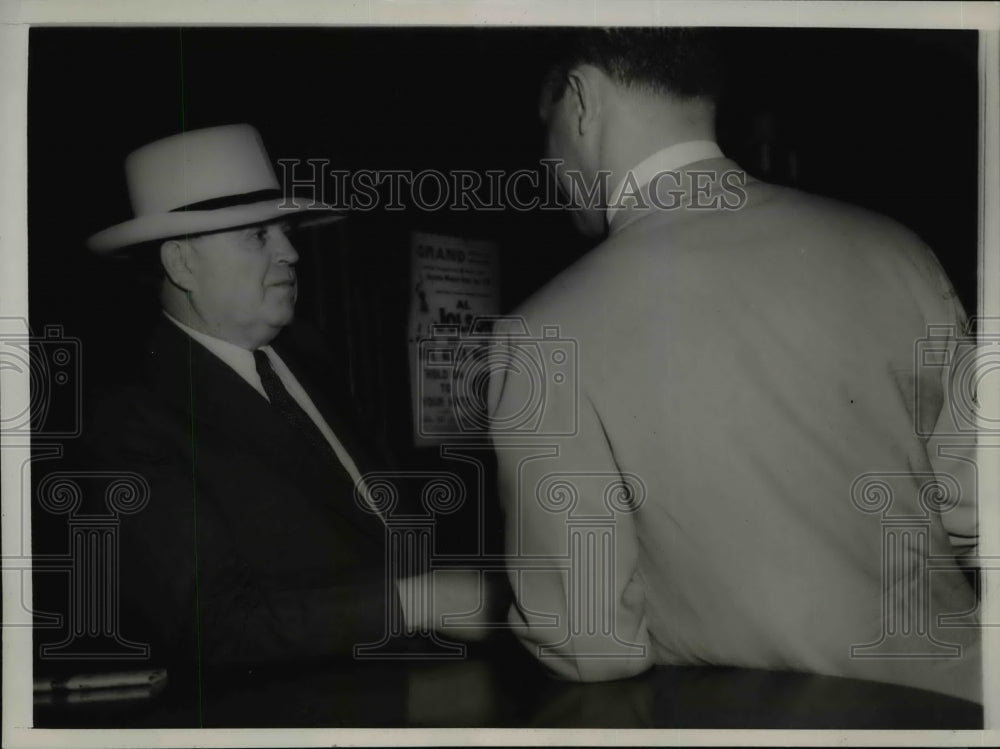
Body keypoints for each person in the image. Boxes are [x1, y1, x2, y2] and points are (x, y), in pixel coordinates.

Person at [488, 29, 980, 703]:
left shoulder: (542, 333)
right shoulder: (899, 250)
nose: (548, 163)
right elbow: (977, 509)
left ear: (581, 100)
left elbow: (591, 647)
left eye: (547, 134)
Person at [83, 124, 488, 692]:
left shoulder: (307, 352)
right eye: (257, 236)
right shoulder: (131, 417)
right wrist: (421, 601)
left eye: (285, 229)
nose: (291, 252)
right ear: (182, 264)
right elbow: (214, 627)